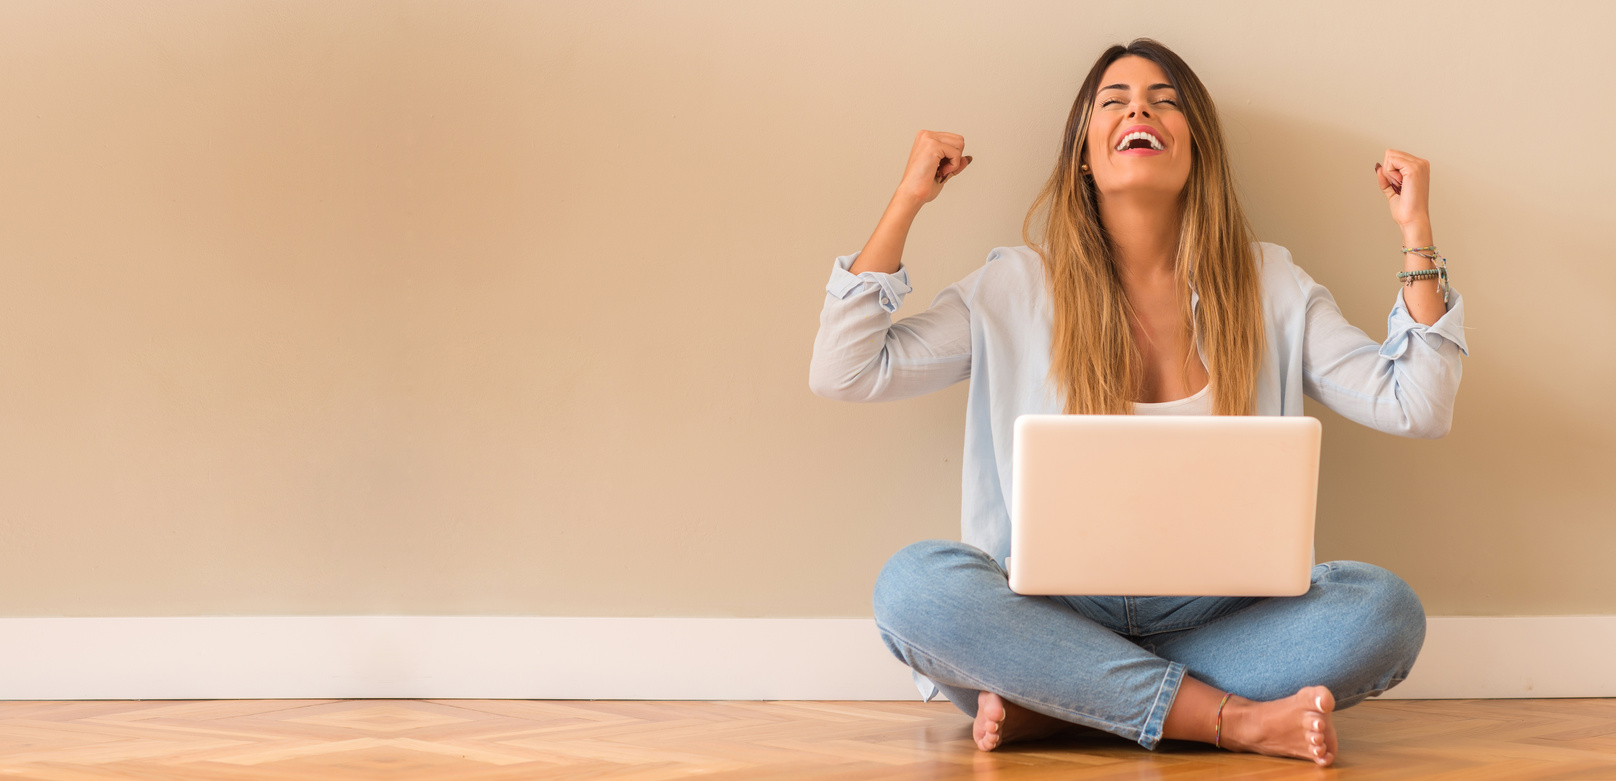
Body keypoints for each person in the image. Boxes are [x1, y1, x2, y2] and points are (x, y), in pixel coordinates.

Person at [807, 39, 1466, 767]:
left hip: (1222, 621)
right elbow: (847, 368)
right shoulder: (1014, 288)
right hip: (1045, 615)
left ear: (1197, 150)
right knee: (914, 587)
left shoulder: (1271, 283)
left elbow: (1418, 405)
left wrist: (1417, 236)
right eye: (1114, 101)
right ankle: (1228, 718)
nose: (1139, 109)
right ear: (1085, 155)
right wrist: (908, 199)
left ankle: (1063, 703)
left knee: (1386, 610)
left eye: (1163, 99)